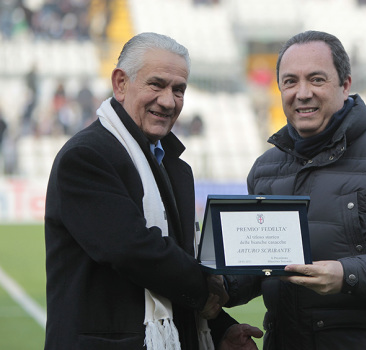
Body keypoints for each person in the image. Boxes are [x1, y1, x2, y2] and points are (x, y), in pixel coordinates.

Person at [224, 30, 366, 350]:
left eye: (316, 79)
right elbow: (261, 263)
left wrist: (347, 275)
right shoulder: (265, 169)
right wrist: (222, 288)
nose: (302, 93)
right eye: (290, 82)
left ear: (345, 85)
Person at [44, 32, 263, 350]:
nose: (168, 100)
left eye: (179, 89)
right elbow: (135, 251)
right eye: (156, 84)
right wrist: (206, 289)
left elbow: (174, 264)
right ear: (120, 83)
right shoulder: (87, 156)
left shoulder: (171, 164)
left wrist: (219, 328)